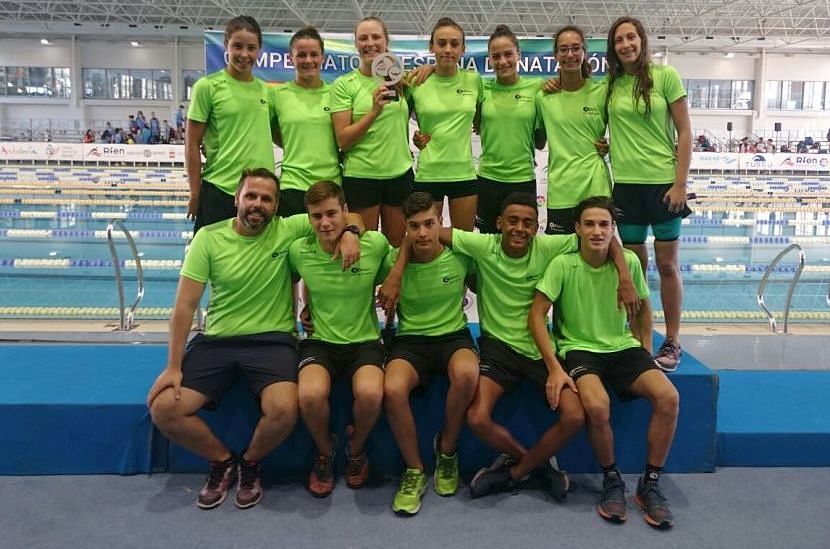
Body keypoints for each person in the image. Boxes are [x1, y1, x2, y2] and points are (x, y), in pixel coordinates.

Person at [383, 193, 638, 501]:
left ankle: (517, 470)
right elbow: (425, 233)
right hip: (498, 350)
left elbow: (602, 237)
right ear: (499, 223)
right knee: (477, 418)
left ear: (537, 227)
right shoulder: (484, 246)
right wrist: (397, 271)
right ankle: (540, 466)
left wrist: (624, 274)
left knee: (574, 416)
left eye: (528, 223)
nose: (520, 228)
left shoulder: (547, 247)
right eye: (513, 221)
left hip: (539, 349)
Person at [146, 168, 361, 511]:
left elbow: (349, 216)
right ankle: (221, 461)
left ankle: (250, 462)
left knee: (285, 408)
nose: (257, 204)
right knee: (164, 409)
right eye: (251, 196)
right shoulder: (208, 238)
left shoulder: (287, 229)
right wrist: (173, 366)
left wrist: (351, 232)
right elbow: (185, 305)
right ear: (237, 199)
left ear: (276, 206)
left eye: (266, 199)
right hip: (217, 341)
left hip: (272, 341)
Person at [529, 196, 679, 529]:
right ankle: (612, 479)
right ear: (577, 229)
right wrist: (554, 364)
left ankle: (650, 483)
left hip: (623, 348)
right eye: (590, 224)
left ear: (613, 229)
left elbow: (642, 310)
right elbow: (537, 315)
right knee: (596, 406)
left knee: (668, 397)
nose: (597, 231)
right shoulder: (563, 265)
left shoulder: (629, 263)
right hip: (579, 349)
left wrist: (645, 350)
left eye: (604, 225)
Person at [289, 181, 388, 498]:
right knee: (309, 395)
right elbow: (290, 280)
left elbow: (402, 260)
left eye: (332, 214)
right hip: (321, 343)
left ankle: (356, 450)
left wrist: (394, 280)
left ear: (346, 212)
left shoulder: (374, 245)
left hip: (364, 342)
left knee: (371, 394)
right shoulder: (299, 251)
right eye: (316, 216)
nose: (325, 223)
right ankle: (325, 449)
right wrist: (304, 304)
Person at [383, 192, 479, 515]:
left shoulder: (461, 256)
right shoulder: (391, 262)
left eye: (429, 224)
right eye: (415, 226)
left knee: (467, 373)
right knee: (392, 389)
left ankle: (447, 449)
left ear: (441, 223)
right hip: (411, 342)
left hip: (452, 336)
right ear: (406, 229)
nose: (423, 233)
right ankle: (414, 471)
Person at [605, 16, 692, 371]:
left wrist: (680, 183)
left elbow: (685, 131)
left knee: (668, 265)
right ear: (613, 48)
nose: (626, 45)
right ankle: (639, 335)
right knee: (634, 267)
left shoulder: (665, 77)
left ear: (641, 41)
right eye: (619, 40)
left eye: (631, 37)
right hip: (625, 187)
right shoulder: (611, 85)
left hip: (663, 185)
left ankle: (672, 341)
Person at [186, 15, 276, 233]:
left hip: (258, 193)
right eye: (237, 46)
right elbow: (191, 143)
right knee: (211, 262)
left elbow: (282, 135)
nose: (244, 54)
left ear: (259, 50)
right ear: (226, 45)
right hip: (220, 188)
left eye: (251, 48)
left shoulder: (267, 90)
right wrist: (195, 194)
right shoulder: (207, 87)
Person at [330, 16, 412, 247]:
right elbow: (343, 140)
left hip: (399, 174)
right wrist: (374, 111)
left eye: (376, 37)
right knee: (365, 247)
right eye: (363, 38)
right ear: (356, 44)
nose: (370, 43)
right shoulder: (345, 85)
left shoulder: (399, 80)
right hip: (362, 177)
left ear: (386, 41)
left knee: (395, 245)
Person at [408, 17, 482, 231]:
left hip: (464, 174)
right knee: (427, 242)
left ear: (463, 49)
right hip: (428, 173)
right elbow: (397, 120)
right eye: (441, 43)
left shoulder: (474, 80)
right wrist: (414, 138)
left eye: (454, 44)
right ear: (431, 47)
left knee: (463, 241)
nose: (448, 49)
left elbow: (480, 120)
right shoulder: (417, 82)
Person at [537, 25, 611, 235]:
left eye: (576, 48)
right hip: (561, 190)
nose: (570, 54)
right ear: (555, 55)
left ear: (584, 53)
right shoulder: (543, 97)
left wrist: (608, 146)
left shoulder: (601, 92)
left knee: (597, 255)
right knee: (559, 256)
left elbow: (624, 129)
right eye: (564, 49)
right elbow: (538, 140)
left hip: (595, 188)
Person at [475, 25, 541, 233]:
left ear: (518, 54)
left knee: (521, 241)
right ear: (489, 59)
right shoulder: (481, 88)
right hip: (488, 180)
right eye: (496, 56)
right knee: (487, 243)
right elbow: (476, 124)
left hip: (522, 180)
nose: (503, 61)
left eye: (508, 54)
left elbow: (541, 141)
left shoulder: (537, 88)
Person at [271, 26, 340, 217]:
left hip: (330, 186)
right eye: (301, 55)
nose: (308, 60)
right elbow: (267, 131)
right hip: (292, 186)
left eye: (314, 54)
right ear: (290, 57)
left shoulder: (336, 94)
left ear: (322, 57)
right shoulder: (277, 95)